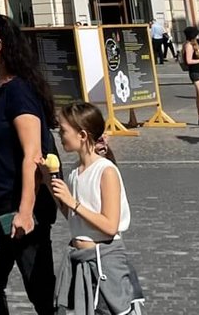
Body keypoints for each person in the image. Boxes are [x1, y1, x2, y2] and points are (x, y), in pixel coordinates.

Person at [0, 13, 57, 315]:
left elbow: (33, 155)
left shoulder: (20, 91)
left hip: (18, 203)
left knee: (39, 285)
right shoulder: (0, 82)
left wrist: (26, 211)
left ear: (0, 44)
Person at [48, 102, 145, 313]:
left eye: (63, 130)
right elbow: (74, 218)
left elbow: (110, 226)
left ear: (82, 135)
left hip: (104, 262)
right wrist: (50, 183)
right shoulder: (75, 171)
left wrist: (73, 202)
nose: (60, 135)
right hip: (79, 260)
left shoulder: (105, 171)